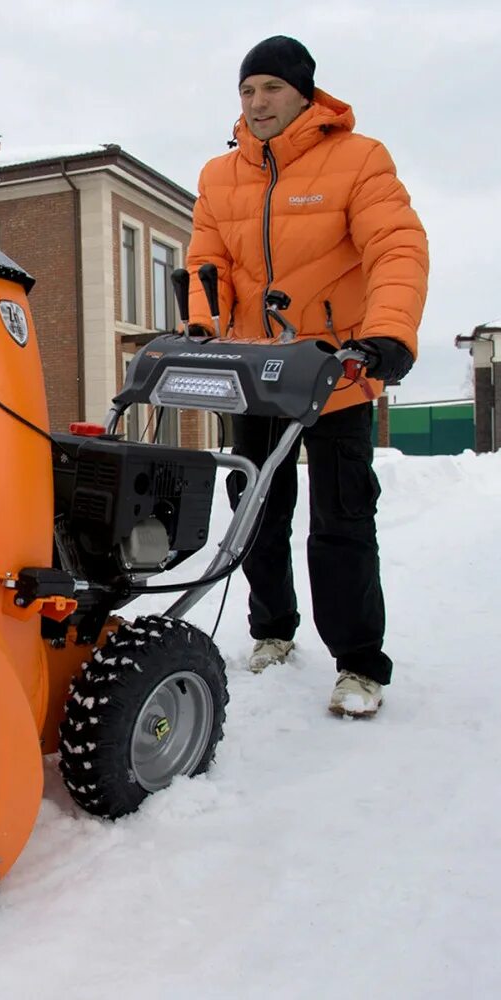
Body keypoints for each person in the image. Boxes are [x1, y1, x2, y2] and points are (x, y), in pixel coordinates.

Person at [185, 35, 429, 717]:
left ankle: (358, 663)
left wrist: (388, 333)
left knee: (341, 518)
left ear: (304, 93)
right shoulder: (219, 174)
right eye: (247, 90)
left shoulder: (359, 159)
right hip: (253, 373)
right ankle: (272, 631)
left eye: (270, 88)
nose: (257, 102)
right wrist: (205, 327)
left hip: (337, 371)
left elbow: (397, 246)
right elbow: (209, 261)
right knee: (256, 508)